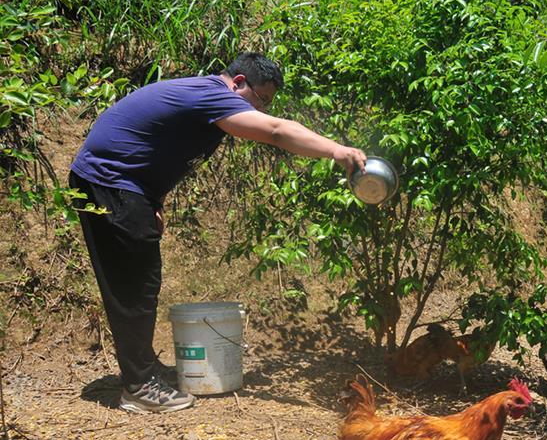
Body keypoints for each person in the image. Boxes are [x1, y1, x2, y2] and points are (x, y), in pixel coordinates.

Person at [69, 52, 366, 413]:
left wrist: (153, 199)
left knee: (141, 281)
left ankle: (142, 370)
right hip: (109, 183)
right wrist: (336, 150)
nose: (262, 111)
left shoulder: (204, 101)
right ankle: (138, 385)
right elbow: (276, 131)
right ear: (239, 83)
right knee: (133, 284)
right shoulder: (211, 94)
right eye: (262, 101)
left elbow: (153, 147)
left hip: (124, 186)